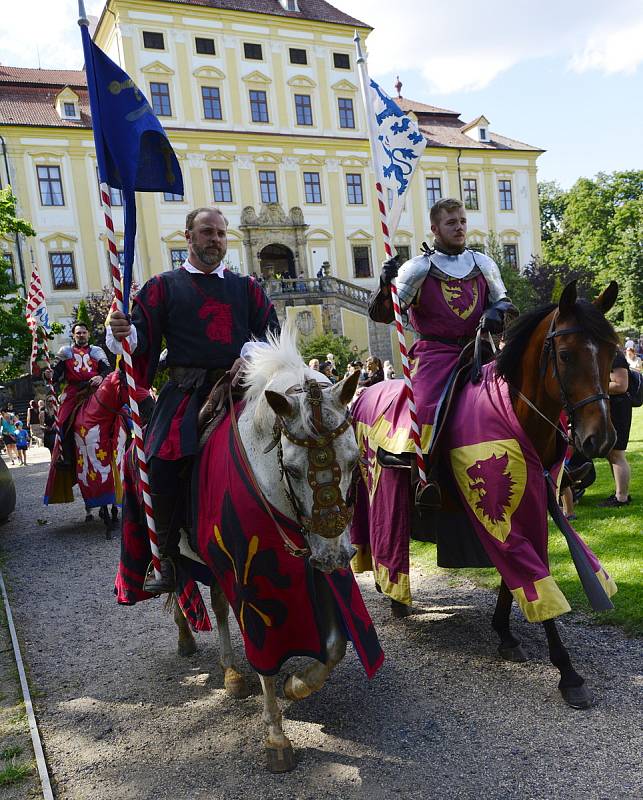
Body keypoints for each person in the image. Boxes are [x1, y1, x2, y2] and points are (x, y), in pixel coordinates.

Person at [108, 206, 280, 593]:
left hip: (239, 388)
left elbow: (272, 332)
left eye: (220, 233)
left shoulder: (246, 287)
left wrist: (247, 355)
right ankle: (167, 557)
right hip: (186, 393)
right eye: (207, 232)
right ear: (188, 236)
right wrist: (122, 332)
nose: (215, 240)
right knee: (158, 461)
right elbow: (140, 339)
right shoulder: (162, 286)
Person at [368, 197, 517, 507]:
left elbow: (506, 303)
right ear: (435, 228)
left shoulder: (483, 263)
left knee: (518, 392)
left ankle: (551, 463)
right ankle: (421, 474)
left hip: (480, 349)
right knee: (423, 405)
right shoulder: (418, 268)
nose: (459, 227)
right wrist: (386, 286)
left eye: (462, 221)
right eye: (451, 223)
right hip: (435, 353)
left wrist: (497, 311)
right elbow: (384, 314)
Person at [44, 321, 111, 465]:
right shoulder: (65, 352)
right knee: (61, 421)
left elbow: (108, 371)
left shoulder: (97, 351)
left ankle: (129, 441)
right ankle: (67, 457)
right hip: (74, 391)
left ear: (88, 334)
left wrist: (100, 377)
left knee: (120, 410)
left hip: (95, 388)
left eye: (83, 332)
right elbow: (56, 375)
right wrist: (49, 375)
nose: (81, 335)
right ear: (74, 336)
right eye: (78, 333)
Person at [598, 348, 632, 507]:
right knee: (612, 454)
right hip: (611, 406)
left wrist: (594, 386)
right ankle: (620, 493)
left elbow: (621, 385)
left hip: (619, 408)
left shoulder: (614, 354)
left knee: (617, 453)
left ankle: (622, 497)